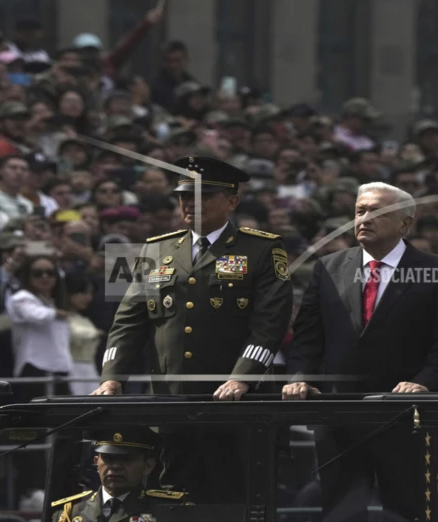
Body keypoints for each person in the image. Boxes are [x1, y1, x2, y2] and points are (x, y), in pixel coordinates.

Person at [93, 156, 294, 504]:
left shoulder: (262, 248)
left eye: (204, 196)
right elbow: (128, 321)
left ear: (232, 201)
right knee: (170, 500)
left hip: (235, 406)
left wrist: (242, 378)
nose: (190, 203)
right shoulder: (155, 248)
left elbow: (270, 324)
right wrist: (112, 377)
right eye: (184, 196)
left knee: (236, 501)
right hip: (171, 404)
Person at [282, 182, 438, 520]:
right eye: (360, 211)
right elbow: (308, 337)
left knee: (406, 509)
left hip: (406, 416)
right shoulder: (328, 267)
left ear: (405, 223)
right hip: (337, 415)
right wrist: (299, 377)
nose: (365, 218)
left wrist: (424, 383)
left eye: (377, 211)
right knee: (340, 511)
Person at [50, 429, 190, 522]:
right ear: (96, 462)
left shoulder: (171, 512)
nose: (115, 466)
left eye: (126, 459)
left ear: (148, 466)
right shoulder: (70, 513)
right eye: (108, 458)